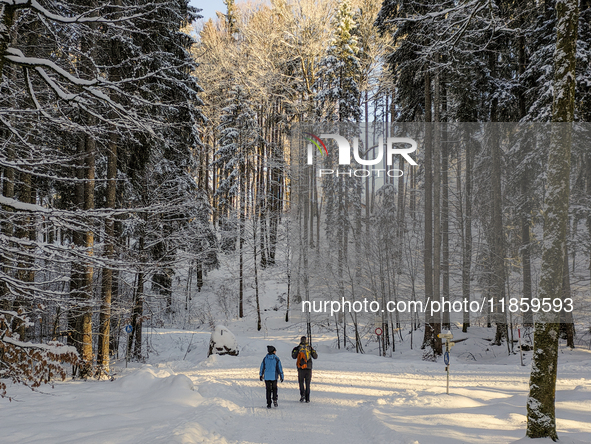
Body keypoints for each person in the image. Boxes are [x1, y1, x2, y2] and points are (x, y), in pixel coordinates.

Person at [291, 336, 318, 403]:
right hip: (308, 368)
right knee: (308, 383)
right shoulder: (309, 348)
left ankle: (302, 395)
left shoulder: (297, 348)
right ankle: (307, 398)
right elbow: (315, 357)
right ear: (306, 340)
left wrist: (296, 351)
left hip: (300, 368)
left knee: (301, 382)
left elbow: (293, 356)